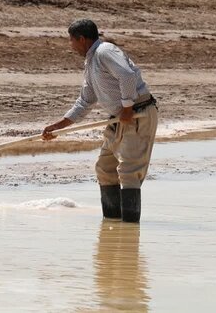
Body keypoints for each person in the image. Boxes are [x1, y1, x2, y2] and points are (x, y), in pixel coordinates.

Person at [42, 19, 158, 222]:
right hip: (119, 117)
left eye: (71, 40)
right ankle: (112, 221)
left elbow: (127, 76)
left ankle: (129, 229)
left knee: (129, 171)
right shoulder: (90, 61)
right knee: (105, 168)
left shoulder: (105, 51)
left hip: (138, 113)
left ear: (82, 39)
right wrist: (57, 126)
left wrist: (128, 107)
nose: (70, 45)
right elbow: (85, 101)